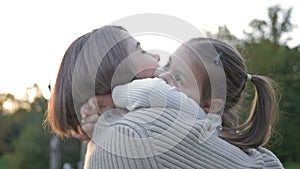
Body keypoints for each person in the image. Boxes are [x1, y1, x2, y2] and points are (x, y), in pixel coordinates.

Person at [80, 37, 284, 168]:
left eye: (179, 79)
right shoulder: (209, 128)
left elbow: (154, 92)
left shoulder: (184, 123)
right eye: (168, 65)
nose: (163, 76)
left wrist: (112, 98)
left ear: (211, 106)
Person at [44, 25, 160, 141]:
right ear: (119, 72)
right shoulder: (149, 130)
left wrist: (115, 99)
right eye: (141, 51)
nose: (157, 57)